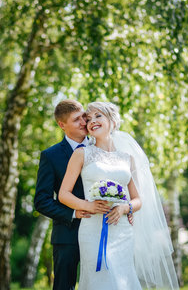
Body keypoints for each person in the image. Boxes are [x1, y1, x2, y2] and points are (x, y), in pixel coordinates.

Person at [59, 102, 179, 290]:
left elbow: (138, 199)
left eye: (98, 116)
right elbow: (63, 194)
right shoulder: (81, 154)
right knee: (100, 280)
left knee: (122, 280)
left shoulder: (127, 157)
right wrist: (88, 206)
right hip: (93, 229)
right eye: (88, 119)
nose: (92, 121)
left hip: (122, 230)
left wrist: (126, 207)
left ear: (112, 120)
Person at [34, 100, 93, 290]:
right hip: (67, 235)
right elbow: (41, 201)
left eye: (84, 116)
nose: (84, 122)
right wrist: (74, 213)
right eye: (77, 120)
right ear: (62, 125)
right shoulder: (51, 156)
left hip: (101, 230)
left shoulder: (100, 148)